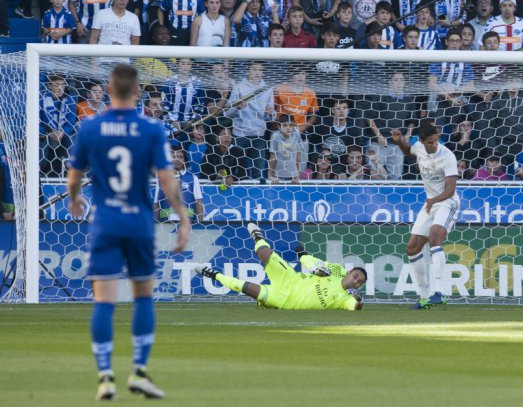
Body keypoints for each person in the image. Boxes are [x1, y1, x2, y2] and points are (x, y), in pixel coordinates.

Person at [66, 64, 190, 401]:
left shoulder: (90, 127)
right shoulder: (150, 128)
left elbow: (74, 174)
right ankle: (139, 372)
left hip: (105, 222)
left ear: (108, 89)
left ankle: (105, 377)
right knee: (143, 296)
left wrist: (75, 198)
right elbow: (167, 178)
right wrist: (183, 217)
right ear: (137, 93)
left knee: (103, 301)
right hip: (138, 222)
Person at [196, 224, 366, 310]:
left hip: (284, 301)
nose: (356, 281)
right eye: (356, 276)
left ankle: (213, 275)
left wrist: (359, 301)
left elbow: (356, 307)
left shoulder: (346, 298)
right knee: (264, 252)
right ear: (350, 272)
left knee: (246, 287)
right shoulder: (337, 270)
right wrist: (312, 267)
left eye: (360, 282)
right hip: (290, 279)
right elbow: (312, 262)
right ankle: (257, 237)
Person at [389, 123, 460, 310]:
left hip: (446, 202)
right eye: (431, 142)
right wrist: (399, 142)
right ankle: (424, 297)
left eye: (436, 140)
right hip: (430, 202)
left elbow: (451, 191)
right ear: (422, 141)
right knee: (412, 247)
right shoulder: (419, 147)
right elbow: (408, 152)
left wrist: (433, 200)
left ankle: (441, 292)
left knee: (435, 236)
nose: (435, 144)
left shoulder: (447, 156)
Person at [153, 147, 204, 221]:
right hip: (165, 224)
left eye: (180, 157)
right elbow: (156, 203)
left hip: (187, 223)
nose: (177, 159)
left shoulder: (192, 178)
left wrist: (200, 225)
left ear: (184, 160)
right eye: (174, 157)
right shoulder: (161, 178)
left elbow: (198, 202)